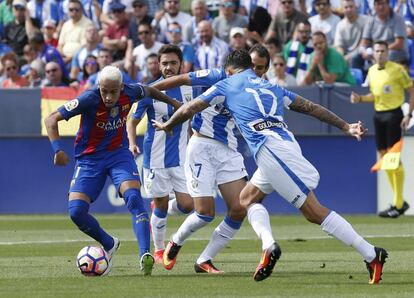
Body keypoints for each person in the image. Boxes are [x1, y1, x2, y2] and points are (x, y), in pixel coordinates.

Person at [152, 49, 388, 285]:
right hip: (283, 144)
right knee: (246, 199)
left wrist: (169, 124)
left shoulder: (227, 83)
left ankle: (370, 254)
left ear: (229, 69)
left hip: (271, 152)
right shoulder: (273, 87)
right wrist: (345, 126)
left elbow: (189, 108)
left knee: (314, 212)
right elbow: (311, 107)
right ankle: (268, 246)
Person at [44, 65, 183, 276]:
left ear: (121, 87)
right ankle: (109, 243)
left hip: (118, 155)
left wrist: (173, 103)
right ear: (99, 86)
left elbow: (151, 90)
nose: (108, 97)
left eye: (113, 91)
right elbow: (51, 118)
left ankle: (145, 254)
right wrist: (57, 150)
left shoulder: (132, 91)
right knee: (76, 212)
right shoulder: (88, 99)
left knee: (134, 198)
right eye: (104, 91)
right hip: (89, 159)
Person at [149, 44, 270, 274]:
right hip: (202, 146)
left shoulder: (260, 89)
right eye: (252, 66)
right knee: (205, 213)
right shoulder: (217, 75)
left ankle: (204, 259)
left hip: (229, 150)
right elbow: (181, 79)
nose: (255, 72)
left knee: (239, 208)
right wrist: (147, 88)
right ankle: (175, 243)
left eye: (260, 68)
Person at [127, 45, 194, 264]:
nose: (168, 67)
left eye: (173, 63)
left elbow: (193, 118)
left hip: (182, 159)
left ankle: (160, 207)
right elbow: (133, 120)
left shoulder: (190, 89)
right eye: (164, 63)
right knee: (162, 206)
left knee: (188, 206)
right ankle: (159, 250)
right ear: (159, 64)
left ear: (181, 64)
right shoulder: (150, 90)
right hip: (154, 159)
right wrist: (131, 142)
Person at [351, 40, 414, 218]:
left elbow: (412, 90)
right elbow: (375, 95)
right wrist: (361, 99)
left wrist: (408, 114)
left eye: (382, 51)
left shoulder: (397, 70)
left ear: (388, 53)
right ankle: (398, 203)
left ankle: (399, 203)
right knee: (385, 158)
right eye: (377, 51)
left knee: (393, 158)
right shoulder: (371, 71)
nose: (379, 54)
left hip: (394, 114)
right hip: (378, 115)